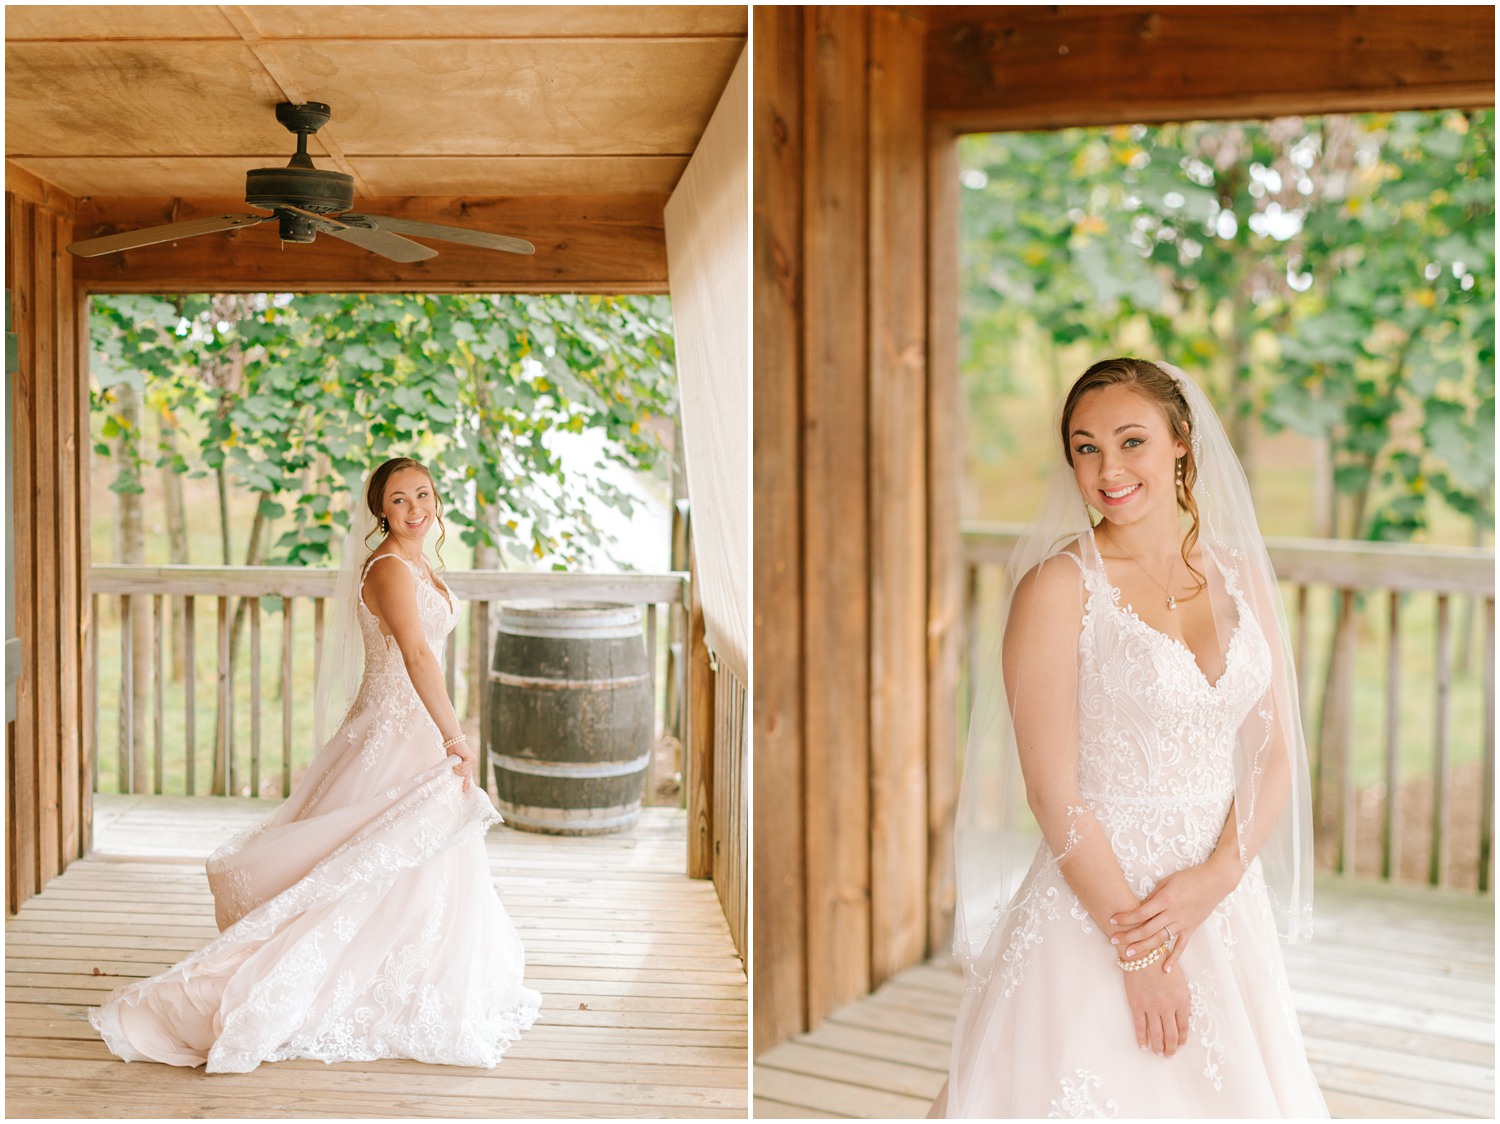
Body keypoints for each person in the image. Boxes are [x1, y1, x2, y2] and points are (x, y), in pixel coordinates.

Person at [931, 360, 1327, 1117]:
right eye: (1085, 448)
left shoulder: (1242, 579)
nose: (1107, 468)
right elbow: (1051, 791)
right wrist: (1141, 952)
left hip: (1219, 904)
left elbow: (1275, 755)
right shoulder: (1058, 588)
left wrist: (1215, 880)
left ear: (1181, 443)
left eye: (1131, 440)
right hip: (1101, 907)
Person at [90, 457, 541, 1072]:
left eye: (425, 495)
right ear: (381, 508)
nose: (416, 508)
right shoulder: (387, 568)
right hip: (399, 730)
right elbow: (415, 654)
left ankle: (410, 972)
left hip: (408, 726)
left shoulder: (419, 563)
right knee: (364, 861)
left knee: (418, 859)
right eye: (401, 498)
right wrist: (455, 735)